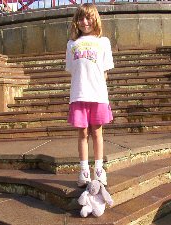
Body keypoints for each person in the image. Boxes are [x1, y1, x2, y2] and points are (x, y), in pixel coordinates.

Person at [65, 3, 114, 187]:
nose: (85, 22)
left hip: (98, 95)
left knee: (97, 132)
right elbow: (73, 70)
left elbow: (105, 71)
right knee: (83, 133)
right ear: (76, 22)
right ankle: (84, 170)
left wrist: (100, 90)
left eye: (88, 17)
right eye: (81, 18)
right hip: (79, 94)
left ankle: (99, 170)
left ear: (96, 19)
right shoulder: (72, 44)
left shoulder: (104, 42)